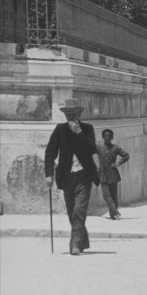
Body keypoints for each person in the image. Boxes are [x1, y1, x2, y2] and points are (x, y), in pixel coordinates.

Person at [44, 98, 100, 256]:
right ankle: (82, 241)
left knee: (79, 210)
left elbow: (92, 149)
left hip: (84, 175)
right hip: (66, 176)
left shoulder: (87, 129)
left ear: (79, 113)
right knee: (72, 212)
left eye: (73, 112)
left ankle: (74, 244)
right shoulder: (60, 129)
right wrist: (48, 174)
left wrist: (79, 133)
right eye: (67, 113)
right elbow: (50, 153)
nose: (70, 115)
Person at [96, 128, 129, 219]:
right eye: (105, 136)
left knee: (114, 195)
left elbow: (126, 155)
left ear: (112, 137)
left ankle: (113, 215)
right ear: (103, 137)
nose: (107, 137)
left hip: (113, 174)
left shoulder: (115, 148)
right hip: (102, 174)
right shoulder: (98, 147)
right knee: (106, 195)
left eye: (109, 136)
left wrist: (118, 163)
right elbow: (89, 150)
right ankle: (115, 212)